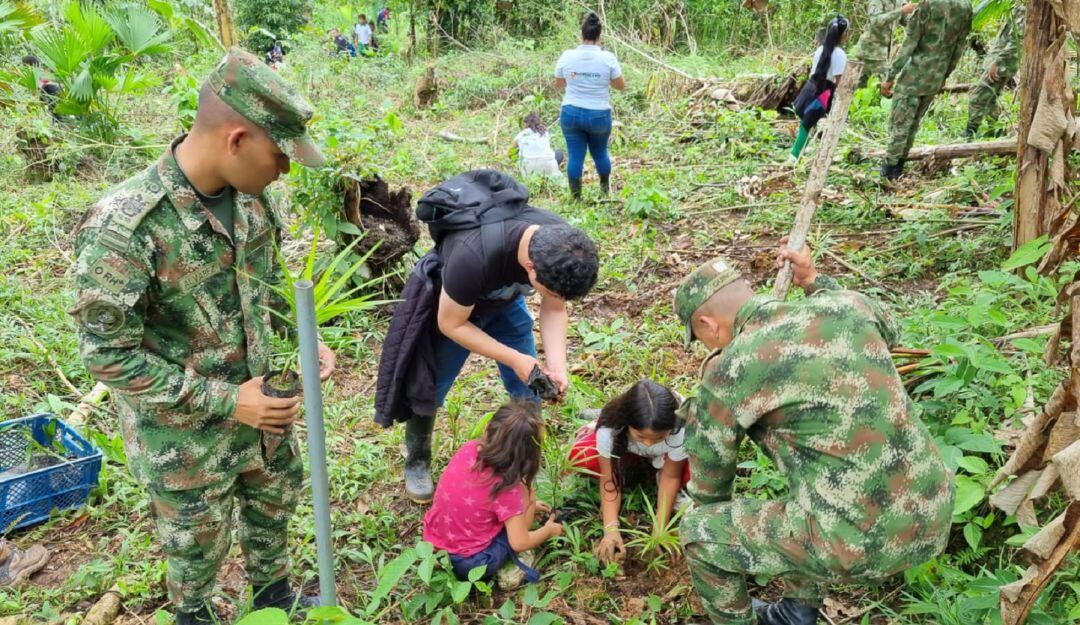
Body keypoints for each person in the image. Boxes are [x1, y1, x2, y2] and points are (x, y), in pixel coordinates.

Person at [72, 48, 334, 625]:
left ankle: (273, 596)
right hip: (184, 438)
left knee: (273, 508)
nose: (286, 170)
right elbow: (106, 354)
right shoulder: (126, 228)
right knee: (195, 548)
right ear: (236, 139)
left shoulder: (253, 198)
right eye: (279, 155)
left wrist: (302, 337)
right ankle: (194, 614)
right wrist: (225, 400)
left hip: (264, 410)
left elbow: (262, 286)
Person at [671, 248, 955, 625]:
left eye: (701, 338)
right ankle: (795, 614)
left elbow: (710, 490)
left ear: (708, 324)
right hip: (934, 514)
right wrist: (815, 281)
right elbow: (891, 331)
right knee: (801, 496)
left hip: (862, 545)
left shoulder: (730, 369)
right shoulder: (847, 305)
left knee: (698, 531)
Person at [373, 170, 601, 504]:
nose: (549, 294)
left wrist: (557, 367)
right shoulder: (473, 256)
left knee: (529, 384)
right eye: (545, 288)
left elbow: (553, 308)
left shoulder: (558, 242)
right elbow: (453, 324)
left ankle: (527, 455)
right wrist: (514, 358)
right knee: (430, 386)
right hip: (455, 308)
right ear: (530, 267)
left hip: (504, 304)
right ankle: (417, 458)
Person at [422, 401, 564, 587]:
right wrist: (547, 529)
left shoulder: (469, 449)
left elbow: (478, 499)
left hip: (432, 543)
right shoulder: (509, 488)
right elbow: (519, 542)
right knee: (525, 507)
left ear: (488, 428)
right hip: (470, 563)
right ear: (529, 456)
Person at [568, 378, 690, 565]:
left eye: (658, 437)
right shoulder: (611, 429)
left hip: (666, 458)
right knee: (582, 455)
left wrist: (660, 529)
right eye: (641, 436)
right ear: (627, 423)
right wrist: (611, 530)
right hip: (628, 450)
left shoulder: (679, 426)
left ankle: (655, 470)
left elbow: (671, 476)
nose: (648, 442)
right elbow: (608, 480)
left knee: (695, 466)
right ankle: (595, 422)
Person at [880, 0, 971, 180]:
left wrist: (890, 77)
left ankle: (888, 172)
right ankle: (898, 169)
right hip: (935, 77)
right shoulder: (966, 7)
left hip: (913, 77)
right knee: (912, 125)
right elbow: (959, 47)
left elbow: (908, 45)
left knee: (899, 126)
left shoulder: (927, 4)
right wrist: (945, 75)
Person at [555, 11, 625, 199]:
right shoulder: (608, 58)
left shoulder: (567, 56)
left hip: (571, 113)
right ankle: (604, 192)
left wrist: (577, 78)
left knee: (575, 155)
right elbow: (620, 86)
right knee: (601, 153)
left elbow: (559, 84)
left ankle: (576, 198)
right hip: (599, 116)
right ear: (599, 36)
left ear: (581, 34)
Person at [790, 15, 849, 161]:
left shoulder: (820, 49)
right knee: (808, 123)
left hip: (811, 86)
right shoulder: (840, 54)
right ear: (843, 35)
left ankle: (803, 149)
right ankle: (794, 155)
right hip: (823, 92)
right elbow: (839, 79)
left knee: (808, 121)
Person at [966, 4, 1025, 138]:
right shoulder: (1016, 7)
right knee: (990, 98)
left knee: (977, 97)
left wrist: (998, 61)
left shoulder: (1024, 9)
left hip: (1002, 64)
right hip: (1000, 62)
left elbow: (1016, 41)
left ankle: (969, 133)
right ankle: (994, 131)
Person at [852, 0, 915, 85]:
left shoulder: (898, 1)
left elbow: (906, 21)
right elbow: (876, 21)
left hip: (881, 53)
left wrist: (917, 14)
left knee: (860, 87)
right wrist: (901, 10)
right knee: (885, 84)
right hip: (870, 51)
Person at [512, 111, 565, 183]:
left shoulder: (521, 135)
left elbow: (510, 152)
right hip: (549, 167)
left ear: (526, 124)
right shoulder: (544, 133)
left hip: (529, 170)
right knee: (558, 152)